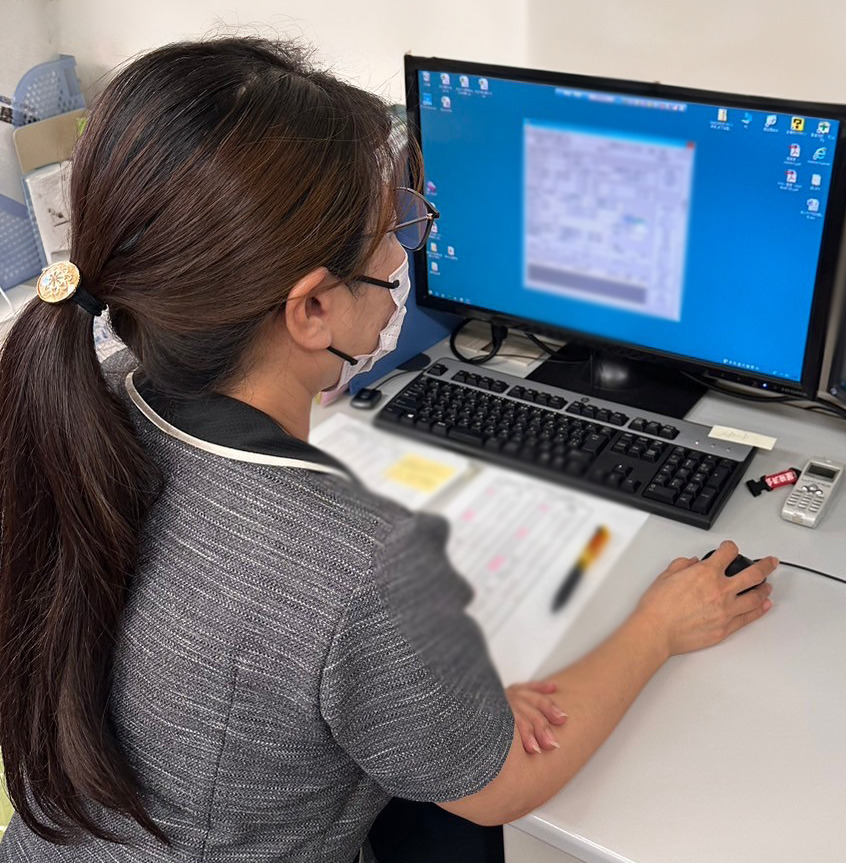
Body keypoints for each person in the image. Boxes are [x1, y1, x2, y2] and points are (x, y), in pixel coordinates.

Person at [0, 37, 777, 862]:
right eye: (393, 229)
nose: (407, 249)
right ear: (311, 310)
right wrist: (659, 626)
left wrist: (441, 711)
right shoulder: (355, 565)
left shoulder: (84, 397)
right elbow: (504, 785)